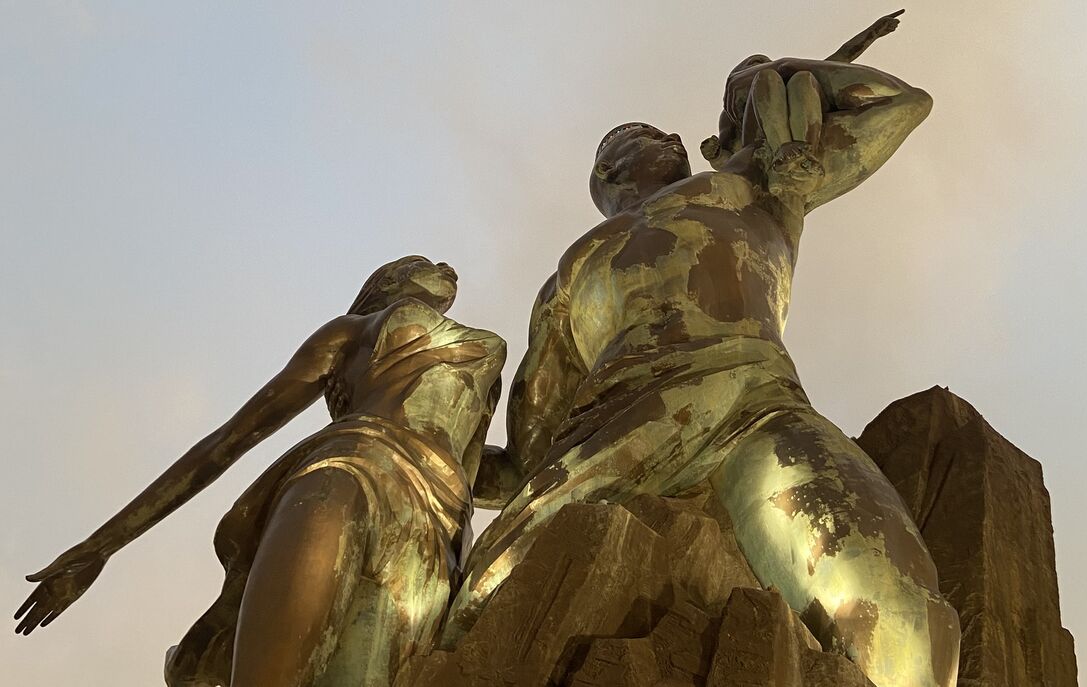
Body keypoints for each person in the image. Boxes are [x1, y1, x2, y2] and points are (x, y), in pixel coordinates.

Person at [446, 59, 960, 687]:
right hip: (612, 432)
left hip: (759, 402)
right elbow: (528, 453)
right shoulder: (569, 275)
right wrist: (424, 445)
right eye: (640, 132)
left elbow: (901, 105)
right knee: (488, 597)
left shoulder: (756, 179)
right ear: (607, 168)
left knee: (899, 610)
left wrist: (789, 70)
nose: (671, 136)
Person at [14, 256, 506, 687]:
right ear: (384, 287)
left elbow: (492, 474)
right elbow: (228, 441)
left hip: (436, 527)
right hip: (348, 472)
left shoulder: (487, 357)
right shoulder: (353, 330)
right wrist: (98, 548)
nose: (442, 269)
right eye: (414, 262)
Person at [701, 9, 906, 196]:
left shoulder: (790, 75)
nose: (763, 64)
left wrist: (873, 32)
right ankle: (785, 152)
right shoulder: (733, 109)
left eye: (765, 61)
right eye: (754, 63)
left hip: (803, 131)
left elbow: (840, 58)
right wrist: (716, 155)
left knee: (804, 78)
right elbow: (730, 159)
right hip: (761, 141)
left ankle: (802, 155)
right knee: (767, 79)